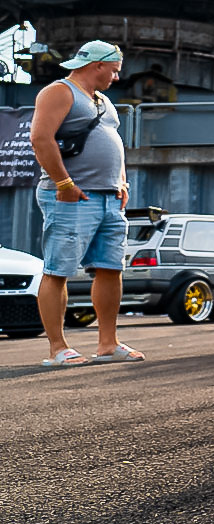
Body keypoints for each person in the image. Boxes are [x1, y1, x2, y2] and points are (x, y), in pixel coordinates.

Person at [30, 40, 141, 366]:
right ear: (98, 65)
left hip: (108, 197)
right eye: (114, 71)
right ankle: (58, 348)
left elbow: (113, 143)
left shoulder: (103, 101)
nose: (116, 78)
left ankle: (108, 344)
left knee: (110, 268)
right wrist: (64, 183)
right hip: (72, 196)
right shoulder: (59, 92)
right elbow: (40, 138)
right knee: (58, 270)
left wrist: (121, 181)